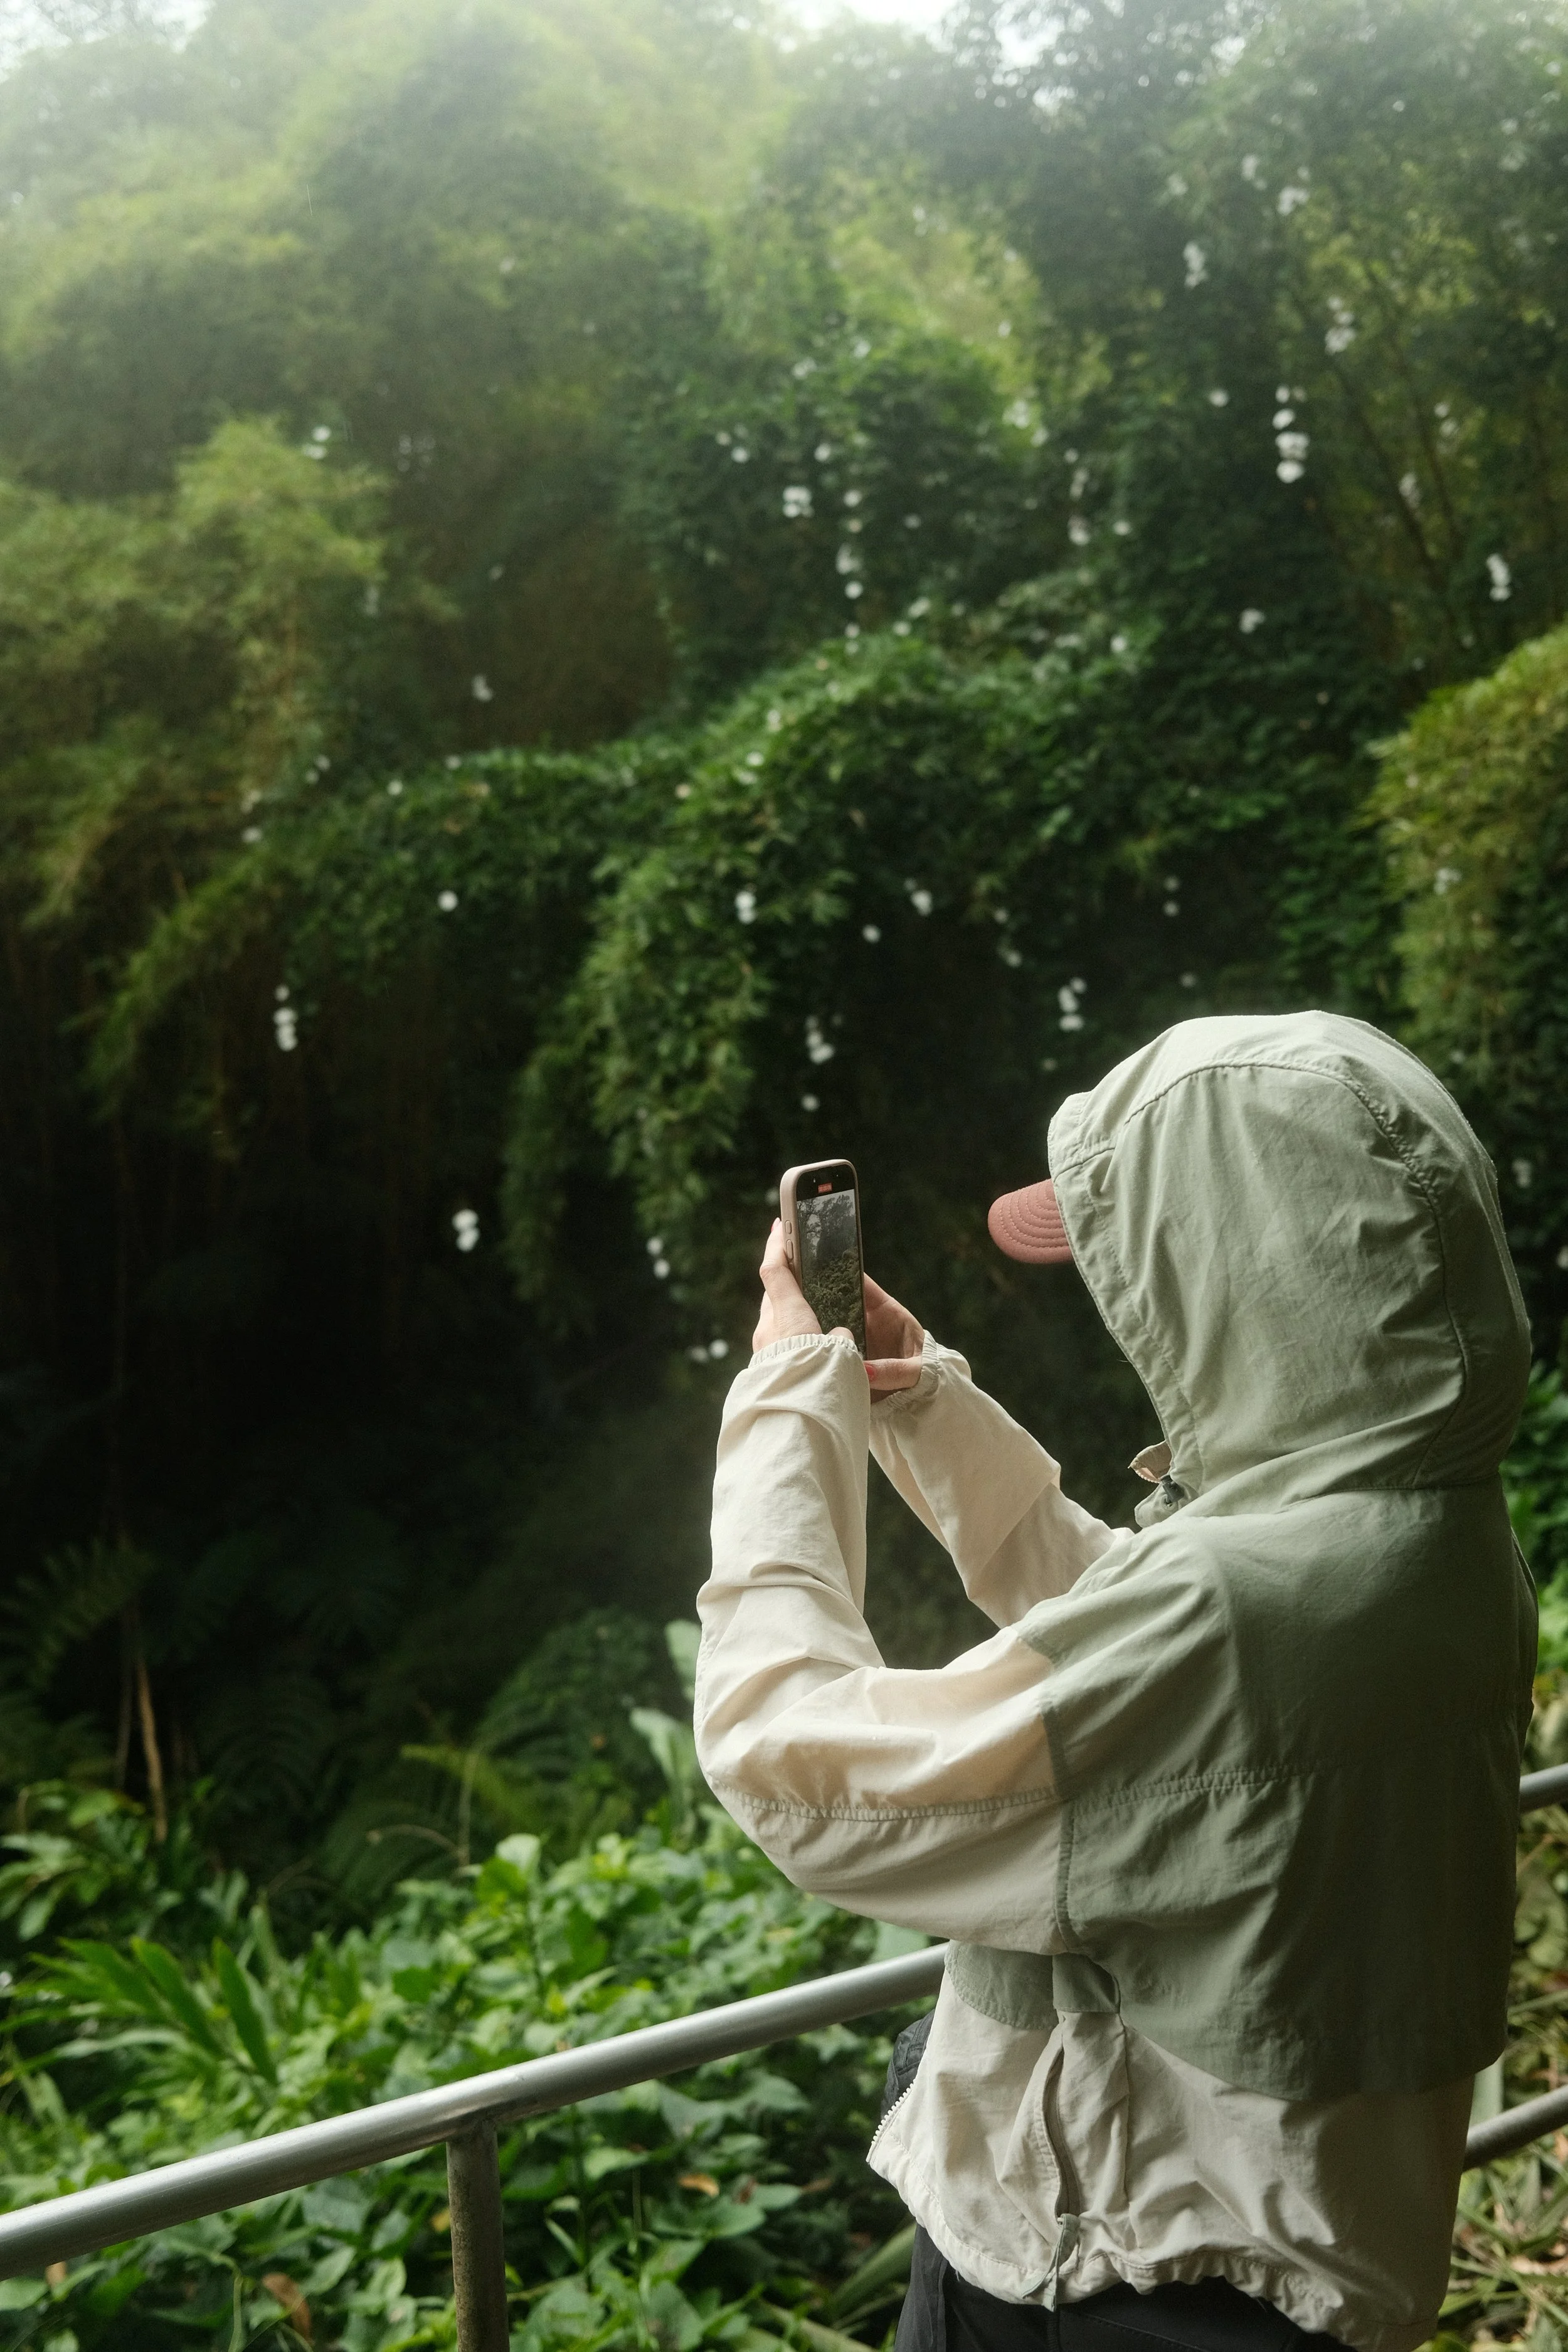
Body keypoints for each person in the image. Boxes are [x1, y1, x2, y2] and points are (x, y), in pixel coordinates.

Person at [692, 1012, 1537, 2352]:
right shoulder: (1425, 1529)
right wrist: (920, 1405)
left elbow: (787, 1767)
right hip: (1288, 2276)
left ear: (1249, 1279)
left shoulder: (1237, 1602)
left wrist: (790, 1393)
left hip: (1114, 2288)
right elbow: (1158, 1686)